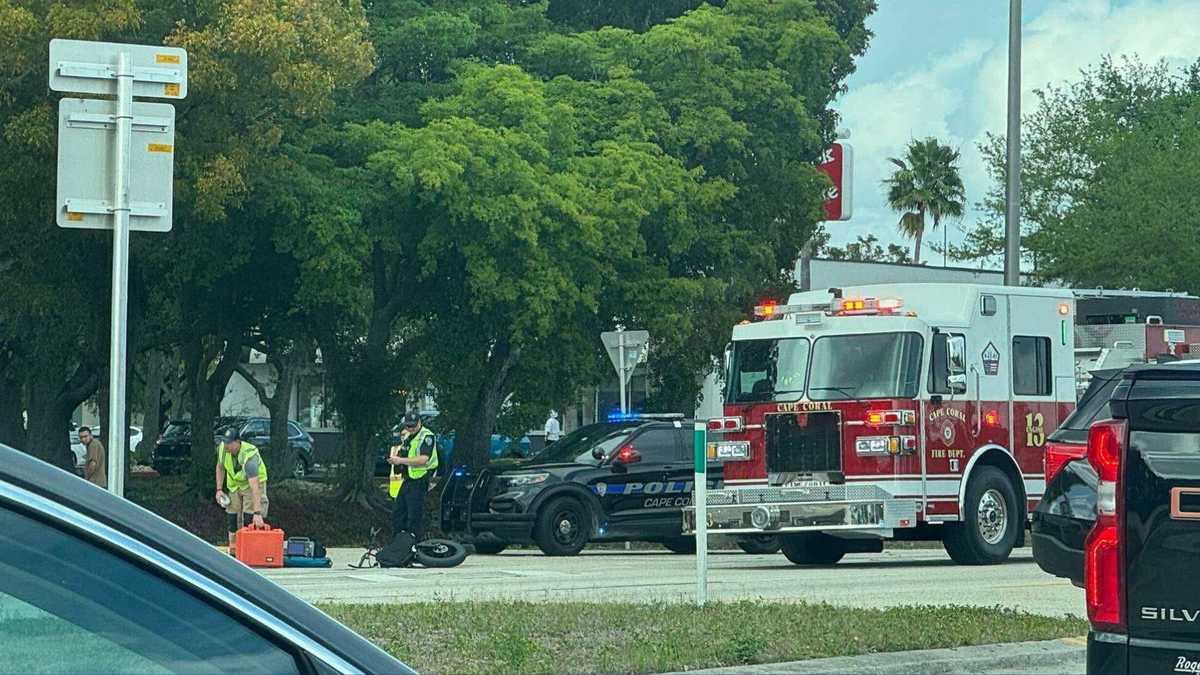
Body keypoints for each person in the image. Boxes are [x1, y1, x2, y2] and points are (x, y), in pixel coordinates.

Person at [214, 427, 269, 557]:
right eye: (225, 442)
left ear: (238, 442)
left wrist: (257, 512)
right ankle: (234, 548)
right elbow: (220, 467)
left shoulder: (249, 457)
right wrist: (219, 489)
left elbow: (255, 487)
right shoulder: (222, 449)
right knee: (232, 513)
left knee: (250, 515)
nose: (226, 445)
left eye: (229, 443)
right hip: (235, 484)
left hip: (253, 484)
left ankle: (251, 549)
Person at [388, 412, 437, 541]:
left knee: (414, 515)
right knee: (398, 513)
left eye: (413, 426)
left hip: (420, 479)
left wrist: (401, 461)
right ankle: (398, 543)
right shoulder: (409, 437)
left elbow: (423, 459)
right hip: (409, 479)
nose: (411, 428)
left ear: (419, 423)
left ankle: (414, 544)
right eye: (408, 426)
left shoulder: (427, 436)